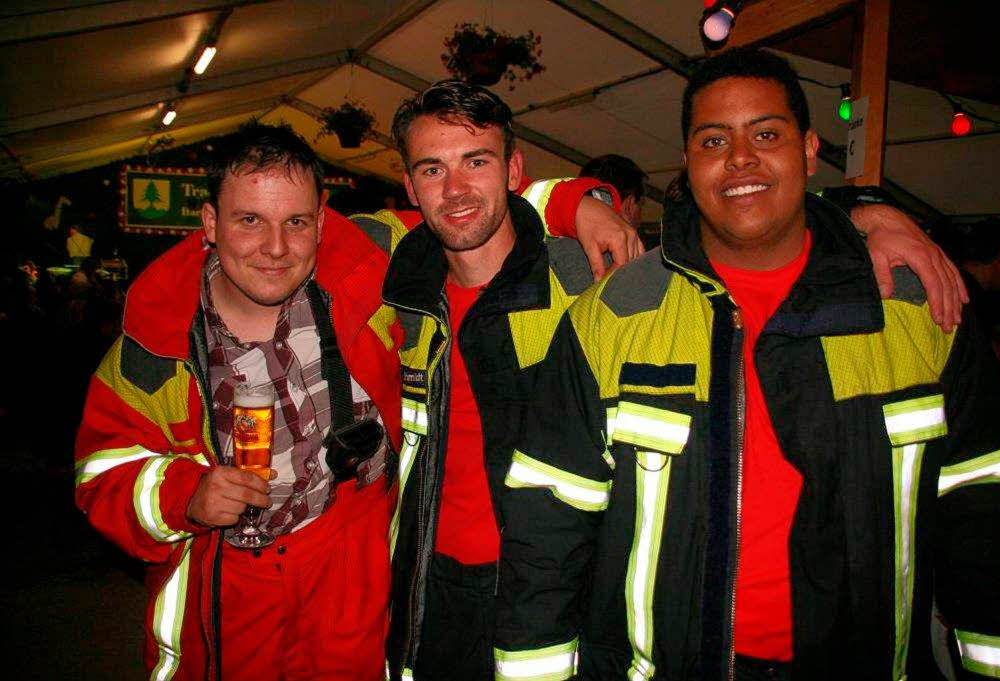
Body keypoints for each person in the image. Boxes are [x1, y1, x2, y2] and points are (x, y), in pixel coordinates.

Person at [356, 79, 969, 681]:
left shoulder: (586, 281)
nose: (456, 187)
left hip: (560, 586)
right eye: (432, 170)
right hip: (429, 580)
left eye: (477, 161)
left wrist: (868, 210)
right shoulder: (397, 287)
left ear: (513, 170)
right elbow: (290, 230)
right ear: (410, 185)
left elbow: (738, 214)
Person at [494, 48, 1000, 681]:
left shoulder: (915, 309)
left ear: (808, 149)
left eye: (765, 134)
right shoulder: (615, 315)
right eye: (713, 140)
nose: (740, 158)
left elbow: (993, 521)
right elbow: (547, 532)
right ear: (688, 166)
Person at [73, 120, 638, 681]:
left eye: (296, 222)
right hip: (227, 611)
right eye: (249, 221)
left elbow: (467, 204)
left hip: (349, 598)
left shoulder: (364, 269)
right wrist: (184, 494)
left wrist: (576, 202)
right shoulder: (156, 347)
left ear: (321, 222)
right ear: (210, 224)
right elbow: (100, 475)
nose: (275, 248)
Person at [579, 154, 648, 230]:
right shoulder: (621, 240)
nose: (639, 221)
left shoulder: (566, 236)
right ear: (629, 205)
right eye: (640, 205)